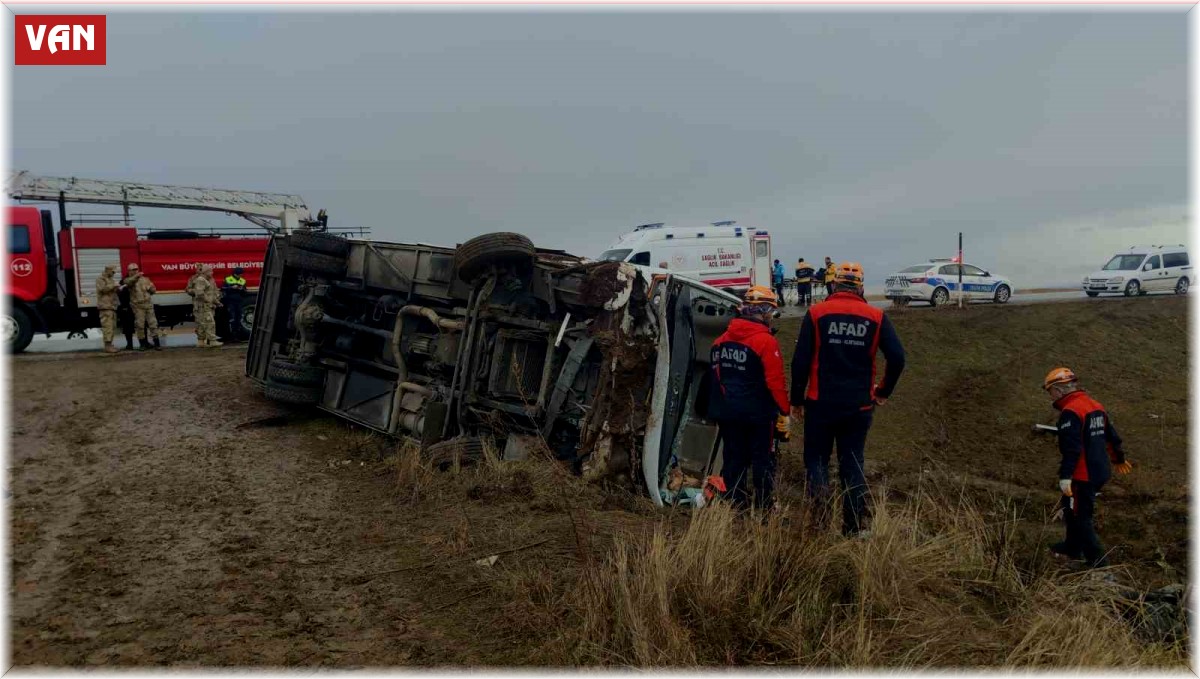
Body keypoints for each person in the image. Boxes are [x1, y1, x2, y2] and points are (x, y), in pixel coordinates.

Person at [790, 262, 905, 536]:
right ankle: (853, 528)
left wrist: (796, 400)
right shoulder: (876, 316)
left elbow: (800, 362)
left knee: (816, 460)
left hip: (820, 403)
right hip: (859, 405)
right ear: (861, 288)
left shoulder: (816, 313)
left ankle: (819, 523)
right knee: (852, 463)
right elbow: (898, 358)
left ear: (833, 285)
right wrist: (883, 392)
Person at [707, 285, 790, 510]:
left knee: (734, 459)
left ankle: (736, 506)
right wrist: (785, 411)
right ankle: (764, 508)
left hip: (728, 413)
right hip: (759, 415)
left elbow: (715, 378)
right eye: (771, 311)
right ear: (764, 311)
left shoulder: (719, 342)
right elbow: (776, 382)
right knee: (763, 460)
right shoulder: (766, 342)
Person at [1044, 367, 1132, 568]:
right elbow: (1111, 435)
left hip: (1082, 474)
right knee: (1069, 508)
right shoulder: (1094, 405)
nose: (1050, 396)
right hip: (1100, 470)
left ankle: (1098, 563)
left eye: (1050, 392)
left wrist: (1066, 476)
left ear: (1058, 390)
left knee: (1080, 516)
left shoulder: (1070, 412)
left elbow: (1072, 449)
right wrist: (1118, 459)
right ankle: (1072, 546)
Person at [124, 263, 161, 351]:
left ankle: (157, 343)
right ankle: (142, 344)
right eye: (133, 270)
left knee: (153, 324)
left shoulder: (145, 279)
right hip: (138, 306)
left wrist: (151, 288)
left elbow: (153, 289)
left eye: (136, 269)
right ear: (129, 271)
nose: (135, 271)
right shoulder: (128, 280)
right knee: (140, 325)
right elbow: (128, 283)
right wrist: (136, 277)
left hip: (148, 304)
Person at [186, 263, 223, 348]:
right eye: (210, 271)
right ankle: (209, 341)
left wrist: (216, 301)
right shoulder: (198, 279)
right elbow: (197, 292)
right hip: (202, 305)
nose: (212, 272)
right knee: (206, 323)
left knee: (207, 323)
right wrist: (206, 298)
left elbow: (213, 291)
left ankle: (205, 341)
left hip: (210, 305)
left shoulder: (210, 279)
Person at [95, 264, 121, 354]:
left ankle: (110, 344)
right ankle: (107, 346)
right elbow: (102, 289)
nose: (114, 273)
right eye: (113, 271)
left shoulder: (111, 280)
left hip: (111, 306)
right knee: (107, 326)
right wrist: (113, 285)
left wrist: (117, 288)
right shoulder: (100, 279)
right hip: (105, 306)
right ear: (108, 270)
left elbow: (112, 291)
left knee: (112, 326)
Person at [223, 266, 248, 341]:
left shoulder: (242, 280)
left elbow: (245, 292)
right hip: (230, 302)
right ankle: (232, 336)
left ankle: (237, 336)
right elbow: (223, 289)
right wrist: (231, 287)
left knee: (239, 319)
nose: (240, 276)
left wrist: (242, 289)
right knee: (232, 319)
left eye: (241, 274)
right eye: (239, 274)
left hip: (239, 302)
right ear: (235, 274)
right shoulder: (228, 279)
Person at [117, 274, 136, 350]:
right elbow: (119, 293)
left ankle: (130, 345)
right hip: (126, 308)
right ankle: (130, 345)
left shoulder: (133, 283)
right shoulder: (123, 284)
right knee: (128, 327)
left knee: (128, 327)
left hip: (129, 308)